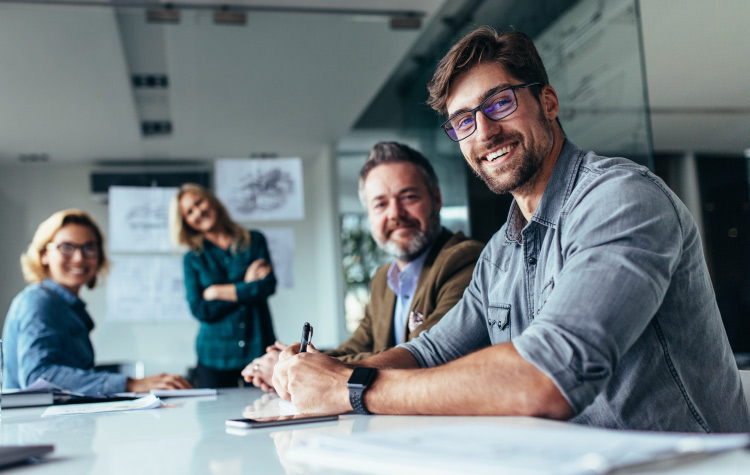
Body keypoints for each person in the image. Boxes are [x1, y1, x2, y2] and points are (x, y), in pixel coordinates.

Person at [271, 27, 750, 432]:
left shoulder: (620, 199)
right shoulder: (502, 250)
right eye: (463, 121)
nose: (483, 132)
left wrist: (351, 388)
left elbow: (548, 376)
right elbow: (430, 351)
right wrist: (325, 372)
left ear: (548, 101)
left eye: (499, 103)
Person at [242, 142, 483, 391]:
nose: (395, 214)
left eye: (408, 197)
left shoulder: (463, 260)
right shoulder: (383, 279)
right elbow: (358, 347)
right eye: (380, 204)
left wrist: (298, 368)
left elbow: (424, 354)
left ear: (436, 199)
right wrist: (297, 360)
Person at [3, 209, 192, 394]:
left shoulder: (68, 307)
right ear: (44, 254)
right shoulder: (39, 302)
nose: (79, 258)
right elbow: (38, 377)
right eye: (66, 247)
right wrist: (129, 384)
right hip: (34, 424)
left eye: (89, 248)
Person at [170, 183, 276, 388]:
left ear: (211, 200)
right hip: (214, 356)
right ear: (186, 222)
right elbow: (200, 309)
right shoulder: (193, 258)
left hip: (258, 347)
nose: (198, 212)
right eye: (189, 212)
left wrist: (217, 291)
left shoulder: (254, 240)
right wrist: (246, 285)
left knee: (267, 412)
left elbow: (267, 286)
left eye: (199, 202)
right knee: (213, 418)